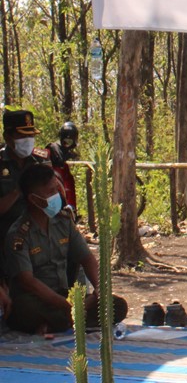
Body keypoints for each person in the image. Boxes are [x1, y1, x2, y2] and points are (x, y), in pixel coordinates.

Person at [4, 164, 127, 334]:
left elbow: (87, 258)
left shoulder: (64, 221)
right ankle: (71, 319)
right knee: (24, 310)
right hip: (36, 300)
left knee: (118, 306)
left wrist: (99, 288)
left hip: (65, 294)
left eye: (57, 188)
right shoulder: (19, 234)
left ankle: (58, 323)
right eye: (51, 192)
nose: (58, 195)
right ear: (34, 199)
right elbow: (27, 281)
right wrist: (67, 306)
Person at [0, 109, 51, 247]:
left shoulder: (41, 160)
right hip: (5, 236)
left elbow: (53, 195)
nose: (28, 140)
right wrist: (18, 191)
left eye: (31, 135)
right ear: (7, 137)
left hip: (38, 235)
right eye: (22, 136)